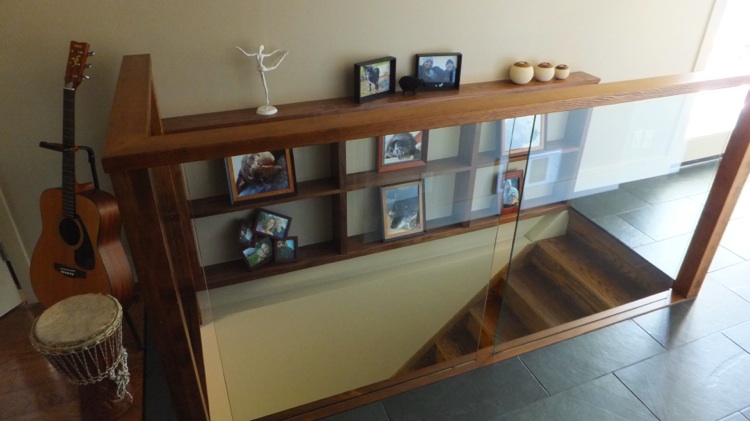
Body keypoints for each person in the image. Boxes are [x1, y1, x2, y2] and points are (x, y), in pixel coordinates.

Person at [236, 44, 289, 115]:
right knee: (265, 84)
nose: (259, 49)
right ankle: (267, 101)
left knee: (273, 68)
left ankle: (284, 55)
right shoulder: (256, 54)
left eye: (260, 48)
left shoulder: (263, 55)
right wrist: (240, 49)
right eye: (259, 48)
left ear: (262, 49)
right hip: (260, 69)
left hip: (262, 68)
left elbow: (271, 54)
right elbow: (247, 54)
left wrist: (277, 51)